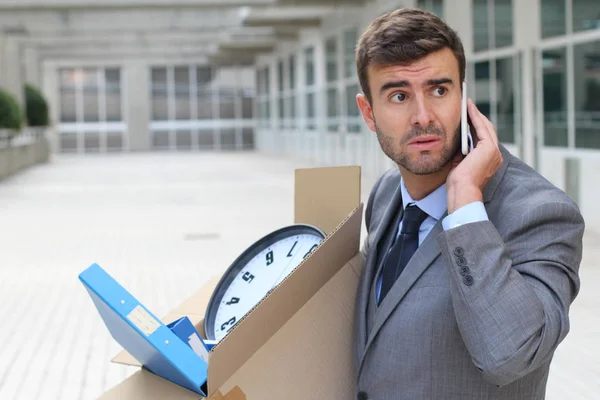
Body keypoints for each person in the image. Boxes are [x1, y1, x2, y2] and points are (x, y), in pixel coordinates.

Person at [352, 8, 585, 400]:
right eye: (398, 96)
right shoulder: (387, 192)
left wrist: (465, 211)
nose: (422, 117)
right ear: (369, 113)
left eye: (439, 90)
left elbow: (510, 357)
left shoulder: (542, 213)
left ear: (463, 97)